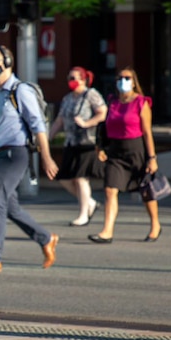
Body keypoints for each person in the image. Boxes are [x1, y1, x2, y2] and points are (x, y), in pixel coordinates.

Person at [0, 45, 59, 273]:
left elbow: (38, 126)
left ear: (8, 61)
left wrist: (46, 158)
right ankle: (46, 238)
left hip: (16, 154)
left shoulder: (20, 91)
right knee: (10, 207)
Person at [88, 66, 161, 243]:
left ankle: (155, 224)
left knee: (145, 191)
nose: (123, 81)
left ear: (134, 82)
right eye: (120, 78)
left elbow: (147, 132)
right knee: (110, 189)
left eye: (127, 78)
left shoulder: (141, 103)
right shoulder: (112, 101)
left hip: (136, 149)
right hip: (115, 152)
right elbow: (104, 127)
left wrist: (152, 158)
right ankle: (107, 231)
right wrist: (101, 148)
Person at [48, 66, 107, 226]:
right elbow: (60, 120)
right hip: (70, 142)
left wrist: (87, 123)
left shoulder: (90, 94)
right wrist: (48, 137)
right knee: (64, 178)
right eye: (69, 78)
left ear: (83, 79)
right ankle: (90, 203)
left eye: (74, 78)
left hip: (86, 142)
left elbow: (103, 112)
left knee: (81, 178)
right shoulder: (67, 98)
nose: (71, 81)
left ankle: (83, 215)